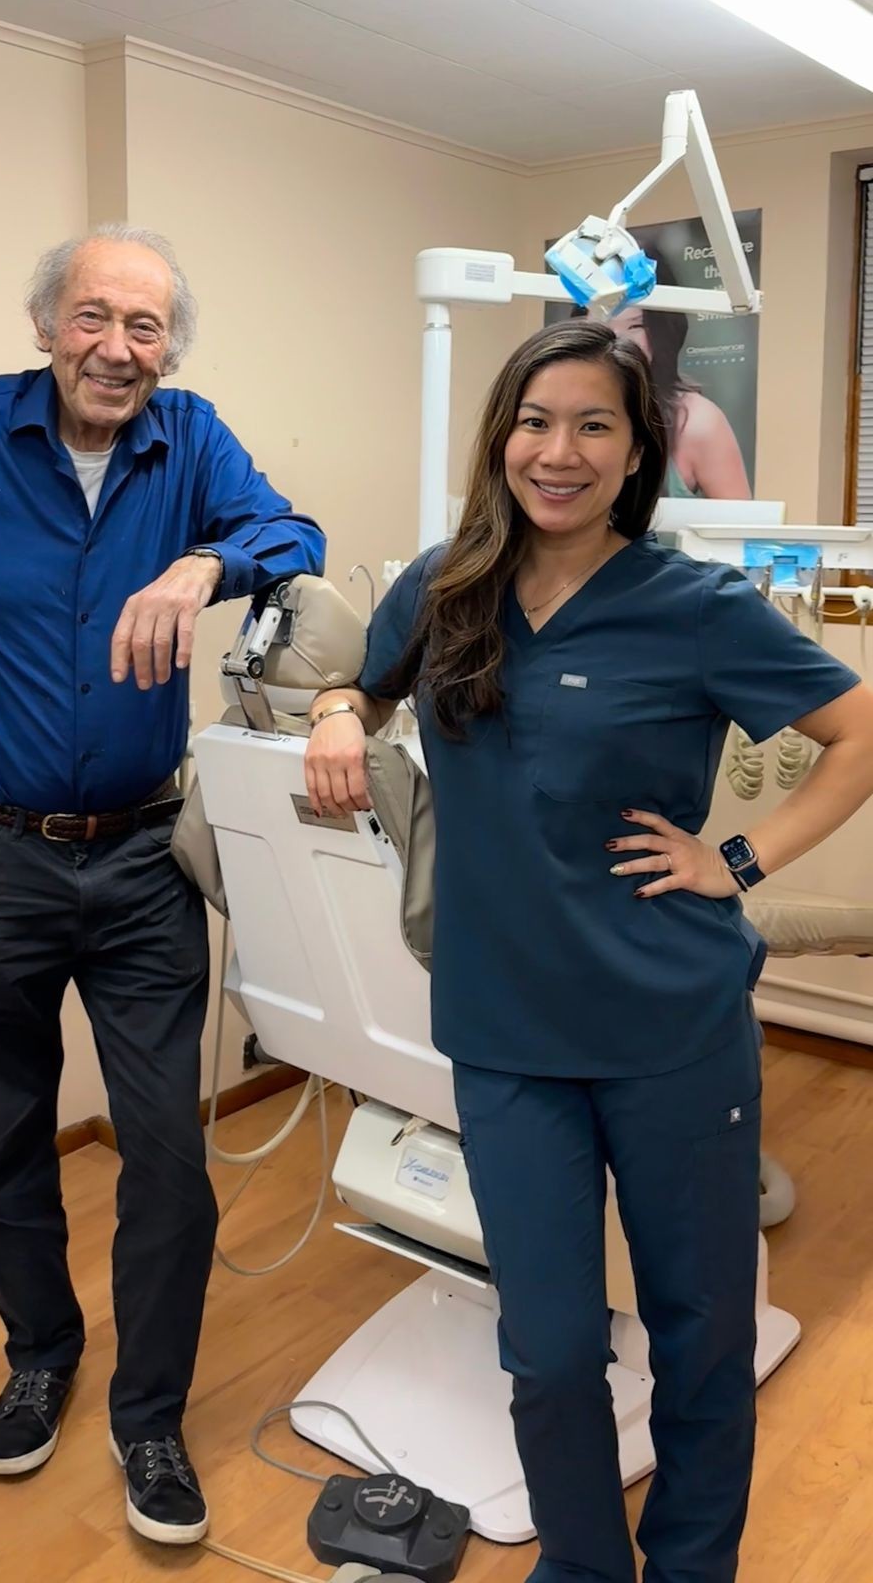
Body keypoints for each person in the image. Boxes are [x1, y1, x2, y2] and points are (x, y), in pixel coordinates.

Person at [304, 319, 873, 1583]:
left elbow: (861, 732)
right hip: (506, 1034)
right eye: (535, 421)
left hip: (670, 1028)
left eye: (593, 427)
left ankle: (688, 1567)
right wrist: (342, 707)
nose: (557, 452)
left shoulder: (696, 606)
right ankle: (581, 1566)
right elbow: (369, 679)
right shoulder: (445, 583)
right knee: (551, 1348)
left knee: (702, 1336)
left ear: (634, 455)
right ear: (502, 435)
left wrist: (733, 862)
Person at [0, 223, 324, 1546]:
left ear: (169, 350)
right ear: (46, 327)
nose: (118, 349)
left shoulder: (188, 440)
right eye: (95, 318)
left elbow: (292, 527)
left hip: (143, 859)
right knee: (3, 1137)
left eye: (146, 328)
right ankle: (40, 1352)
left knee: (165, 1153)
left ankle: (150, 1418)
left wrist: (209, 562)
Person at [619, 305, 751, 499]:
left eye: (635, 326)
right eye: (600, 322)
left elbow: (739, 525)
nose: (616, 338)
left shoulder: (698, 421)